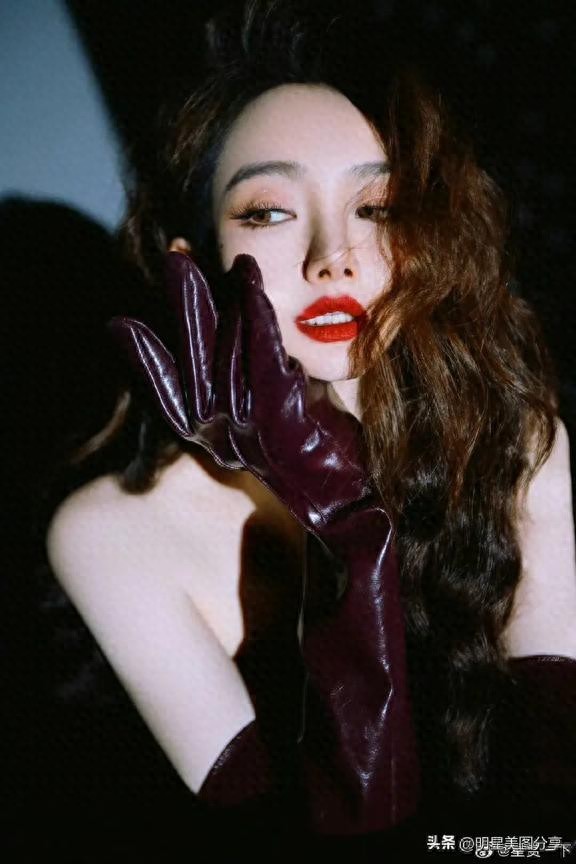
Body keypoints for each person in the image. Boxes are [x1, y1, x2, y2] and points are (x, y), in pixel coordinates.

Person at [41, 0, 576, 852]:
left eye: (379, 208)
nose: (335, 257)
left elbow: (548, 832)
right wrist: (346, 530)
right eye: (268, 211)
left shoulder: (517, 444)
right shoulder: (112, 534)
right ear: (193, 260)